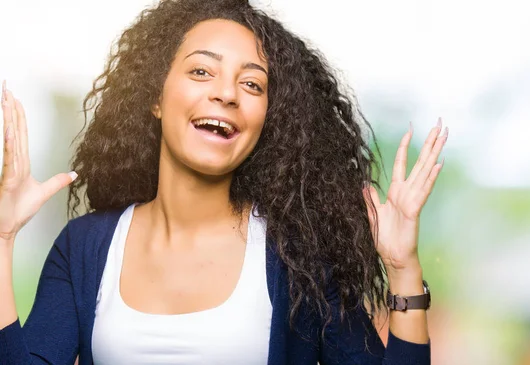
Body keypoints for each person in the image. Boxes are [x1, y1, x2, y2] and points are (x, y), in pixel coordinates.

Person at [0, 0, 448, 364]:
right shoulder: (85, 247)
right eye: (201, 71)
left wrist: (404, 268)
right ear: (155, 97)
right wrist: (1, 239)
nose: (227, 93)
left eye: (252, 84)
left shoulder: (299, 257)